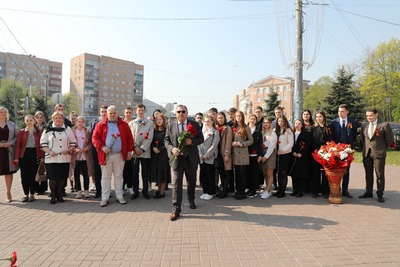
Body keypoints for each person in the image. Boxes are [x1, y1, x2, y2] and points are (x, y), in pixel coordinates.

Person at [165, 104, 203, 221]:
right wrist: (172, 149)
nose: (181, 113)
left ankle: (191, 198)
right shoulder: (170, 126)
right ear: (175, 114)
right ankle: (176, 210)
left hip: (190, 159)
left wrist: (191, 141)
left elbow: (201, 139)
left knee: (191, 182)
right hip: (177, 160)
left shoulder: (194, 124)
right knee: (176, 185)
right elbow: (166, 141)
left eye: (183, 111)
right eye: (178, 112)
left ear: (187, 113)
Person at [92, 105, 134, 207]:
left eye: (114, 113)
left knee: (119, 176)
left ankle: (119, 196)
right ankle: (105, 198)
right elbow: (95, 138)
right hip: (106, 155)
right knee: (105, 177)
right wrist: (102, 147)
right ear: (107, 114)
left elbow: (130, 139)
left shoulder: (124, 124)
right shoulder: (100, 124)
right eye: (110, 113)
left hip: (119, 155)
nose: (112, 115)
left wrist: (129, 151)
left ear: (117, 113)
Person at [40, 112, 76, 204]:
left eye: (59, 118)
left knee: (62, 178)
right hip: (51, 158)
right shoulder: (47, 130)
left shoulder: (67, 129)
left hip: (64, 158)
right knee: (52, 178)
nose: (58, 120)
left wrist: (68, 150)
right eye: (56, 118)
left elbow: (73, 142)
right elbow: (43, 144)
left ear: (63, 119)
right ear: (53, 119)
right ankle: (53, 195)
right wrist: (49, 152)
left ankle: (59, 195)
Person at [359, 108, 393, 203]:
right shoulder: (364, 125)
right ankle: (368, 191)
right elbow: (363, 138)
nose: (369, 117)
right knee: (368, 174)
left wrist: (382, 147)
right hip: (367, 153)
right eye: (367, 116)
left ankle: (380, 194)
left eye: (371, 115)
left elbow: (390, 140)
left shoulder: (384, 125)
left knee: (379, 174)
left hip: (379, 153)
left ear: (376, 115)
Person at [330, 104, 358, 198]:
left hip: (348, 150)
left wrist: (349, 147)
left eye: (342, 111)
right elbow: (332, 136)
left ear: (347, 112)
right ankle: (337, 189)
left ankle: (345, 190)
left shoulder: (352, 122)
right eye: (339, 111)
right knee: (336, 170)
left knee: (346, 170)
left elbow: (354, 135)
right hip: (336, 150)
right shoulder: (334, 122)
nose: (340, 113)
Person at [14, 115, 43, 202]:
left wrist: (42, 157)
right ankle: (26, 194)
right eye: (27, 120)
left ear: (34, 121)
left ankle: (32, 194)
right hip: (24, 155)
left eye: (31, 120)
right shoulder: (22, 132)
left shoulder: (39, 132)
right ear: (25, 122)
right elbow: (18, 145)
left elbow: (41, 146)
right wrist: (16, 158)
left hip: (35, 154)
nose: (29, 122)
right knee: (24, 175)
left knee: (32, 175)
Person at [129, 104, 154, 200]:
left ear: (145, 111)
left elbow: (150, 137)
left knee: (145, 173)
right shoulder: (131, 123)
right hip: (134, 151)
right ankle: (135, 191)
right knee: (135, 173)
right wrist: (135, 147)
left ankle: (145, 191)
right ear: (136, 111)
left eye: (142, 110)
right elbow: (130, 137)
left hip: (145, 152)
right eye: (139, 110)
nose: (140, 112)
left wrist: (142, 149)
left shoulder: (149, 123)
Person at [310, 111, 334, 198]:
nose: (318, 118)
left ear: (323, 117)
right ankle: (315, 191)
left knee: (325, 173)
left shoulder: (328, 128)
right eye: (317, 117)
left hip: (326, 154)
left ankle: (325, 191)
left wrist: (326, 150)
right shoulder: (313, 128)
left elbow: (331, 140)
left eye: (320, 116)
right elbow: (311, 141)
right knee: (315, 173)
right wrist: (316, 151)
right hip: (316, 153)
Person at [231, 110, 254, 200]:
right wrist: (233, 143)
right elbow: (231, 139)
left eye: (239, 116)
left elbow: (251, 140)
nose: (238, 118)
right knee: (237, 173)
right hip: (236, 152)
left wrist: (243, 144)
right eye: (236, 116)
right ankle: (238, 190)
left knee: (242, 173)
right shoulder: (234, 127)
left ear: (242, 117)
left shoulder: (246, 127)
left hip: (243, 152)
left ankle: (242, 191)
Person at [198, 115, 220, 201]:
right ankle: (205, 191)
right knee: (203, 175)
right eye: (205, 121)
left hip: (209, 157)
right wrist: (200, 154)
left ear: (212, 122)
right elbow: (199, 144)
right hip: (201, 157)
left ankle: (211, 192)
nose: (207, 123)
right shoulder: (202, 131)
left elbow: (214, 145)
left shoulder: (215, 132)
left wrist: (206, 155)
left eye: (208, 121)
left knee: (210, 175)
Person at [288, 119, 312, 197]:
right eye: (296, 123)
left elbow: (308, 145)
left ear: (302, 125)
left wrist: (301, 153)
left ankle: (300, 191)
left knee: (301, 174)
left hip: (302, 157)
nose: (297, 125)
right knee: (294, 174)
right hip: (293, 156)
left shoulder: (306, 134)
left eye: (299, 123)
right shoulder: (291, 133)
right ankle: (295, 190)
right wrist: (293, 152)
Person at [89, 105, 108, 198]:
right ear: (100, 112)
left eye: (105, 111)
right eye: (102, 111)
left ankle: (106, 191)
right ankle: (98, 190)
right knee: (97, 171)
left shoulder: (111, 122)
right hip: (96, 150)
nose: (104, 113)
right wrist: (96, 147)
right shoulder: (95, 122)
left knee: (106, 172)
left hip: (107, 151)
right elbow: (92, 137)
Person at [0, 107, 18, 202]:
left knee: (8, 172)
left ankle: (8, 192)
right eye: (1, 112)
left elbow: (17, 136)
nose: (3, 113)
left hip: (8, 151)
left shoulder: (11, 125)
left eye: (4, 112)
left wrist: (10, 143)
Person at [71, 116, 92, 198]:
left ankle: (86, 190)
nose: (80, 123)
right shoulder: (72, 131)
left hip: (85, 156)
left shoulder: (87, 131)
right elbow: (69, 143)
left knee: (85, 174)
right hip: (75, 156)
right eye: (78, 121)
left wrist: (85, 149)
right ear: (76, 122)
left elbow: (91, 144)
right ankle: (79, 190)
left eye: (81, 121)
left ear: (84, 122)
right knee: (76, 174)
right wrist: (75, 149)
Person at [151, 113, 169, 199]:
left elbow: (168, 142)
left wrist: (160, 149)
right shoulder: (154, 130)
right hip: (155, 154)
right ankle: (158, 190)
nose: (158, 121)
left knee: (163, 172)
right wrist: (153, 147)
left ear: (164, 120)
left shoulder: (166, 130)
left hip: (164, 154)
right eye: (157, 120)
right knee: (157, 172)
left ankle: (162, 191)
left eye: (160, 119)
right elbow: (151, 141)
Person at [274, 115, 294, 198]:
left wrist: (283, 150)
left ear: (285, 122)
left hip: (285, 154)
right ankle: (279, 190)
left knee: (283, 172)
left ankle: (282, 191)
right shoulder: (276, 130)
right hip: (277, 154)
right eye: (279, 121)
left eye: (282, 121)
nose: (280, 123)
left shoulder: (288, 131)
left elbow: (290, 143)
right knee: (278, 173)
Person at [215, 112, 233, 198]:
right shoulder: (216, 128)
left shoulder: (227, 128)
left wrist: (227, 154)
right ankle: (223, 189)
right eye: (218, 118)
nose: (220, 119)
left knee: (226, 172)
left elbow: (229, 142)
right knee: (221, 172)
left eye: (221, 118)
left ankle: (225, 190)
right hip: (217, 153)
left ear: (225, 118)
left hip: (224, 153)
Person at [260, 117, 277, 199]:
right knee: (264, 173)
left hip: (270, 154)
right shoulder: (262, 133)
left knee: (269, 173)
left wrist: (266, 157)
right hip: (263, 152)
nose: (266, 124)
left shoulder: (273, 134)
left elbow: (271, 147)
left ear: (270, 124)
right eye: (264, 122)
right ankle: (268, 189)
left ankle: (267, 191)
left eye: (267, 122)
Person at [246, 114, 262, 198]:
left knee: (254, 173)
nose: (252, 120)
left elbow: (260, 144)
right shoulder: (245, 129)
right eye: (251, 119)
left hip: (254, 154)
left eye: (254, 119)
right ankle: (249, 188)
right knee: (247, 172)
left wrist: (260, 155)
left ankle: (254, 190)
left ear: (256, 121)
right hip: (245, 154)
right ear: (248, 119)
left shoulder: (258, 131)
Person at [34, 111, 47, 194]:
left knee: (43, 170)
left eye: (41, 117)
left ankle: (43, 188)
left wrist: (43, 155)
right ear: (35, 118)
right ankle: (36, 188)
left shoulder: (46, 127)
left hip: (44, 151)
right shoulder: (33, 127)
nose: (39, 119)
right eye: (37, 117)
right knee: (35, 170)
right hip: (34, 152)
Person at [122, 107, 135, 193]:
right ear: (124, 113)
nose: (128, 114)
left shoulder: (135, 123)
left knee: (130, 169)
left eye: (130, 112)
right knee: (122, 170)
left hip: (132, 149)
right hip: (122, 149)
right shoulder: (121, 123)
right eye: (127, 112)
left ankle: (130, 186)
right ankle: (122, 187)